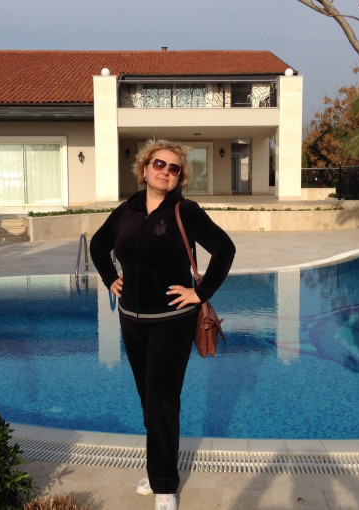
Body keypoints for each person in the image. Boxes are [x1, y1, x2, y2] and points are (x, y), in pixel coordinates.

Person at [90, 139, 235, 510]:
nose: (165, 172)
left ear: (179, 177)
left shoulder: (185, 211)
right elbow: (98, 245)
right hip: (131, 321)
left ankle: (165, 485)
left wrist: (199, 293)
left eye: (174, 168)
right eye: (159, 164)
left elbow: (225, 249)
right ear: (144, 169)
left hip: (172, 322)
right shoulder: (127, 211)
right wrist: (110, 278)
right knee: (148, 400)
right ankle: (159, 468)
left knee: (162, 402)